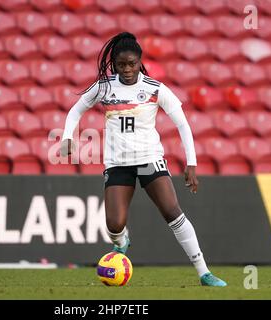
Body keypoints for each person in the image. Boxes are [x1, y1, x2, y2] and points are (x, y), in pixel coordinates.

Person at [60, 32, 227, 287]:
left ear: (140, 62)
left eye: (132, 64)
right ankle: (122, 241)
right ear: (114, 64)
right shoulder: (104, 87)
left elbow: (182, 124)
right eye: (121, 64)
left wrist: (191, 163)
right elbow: (76, 110)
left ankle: (204, 272)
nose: (127, 69)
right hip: (117, 163)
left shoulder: (154, 89)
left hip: (150, 159)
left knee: (173, 213)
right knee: (114, 225)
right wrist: (67, 136)